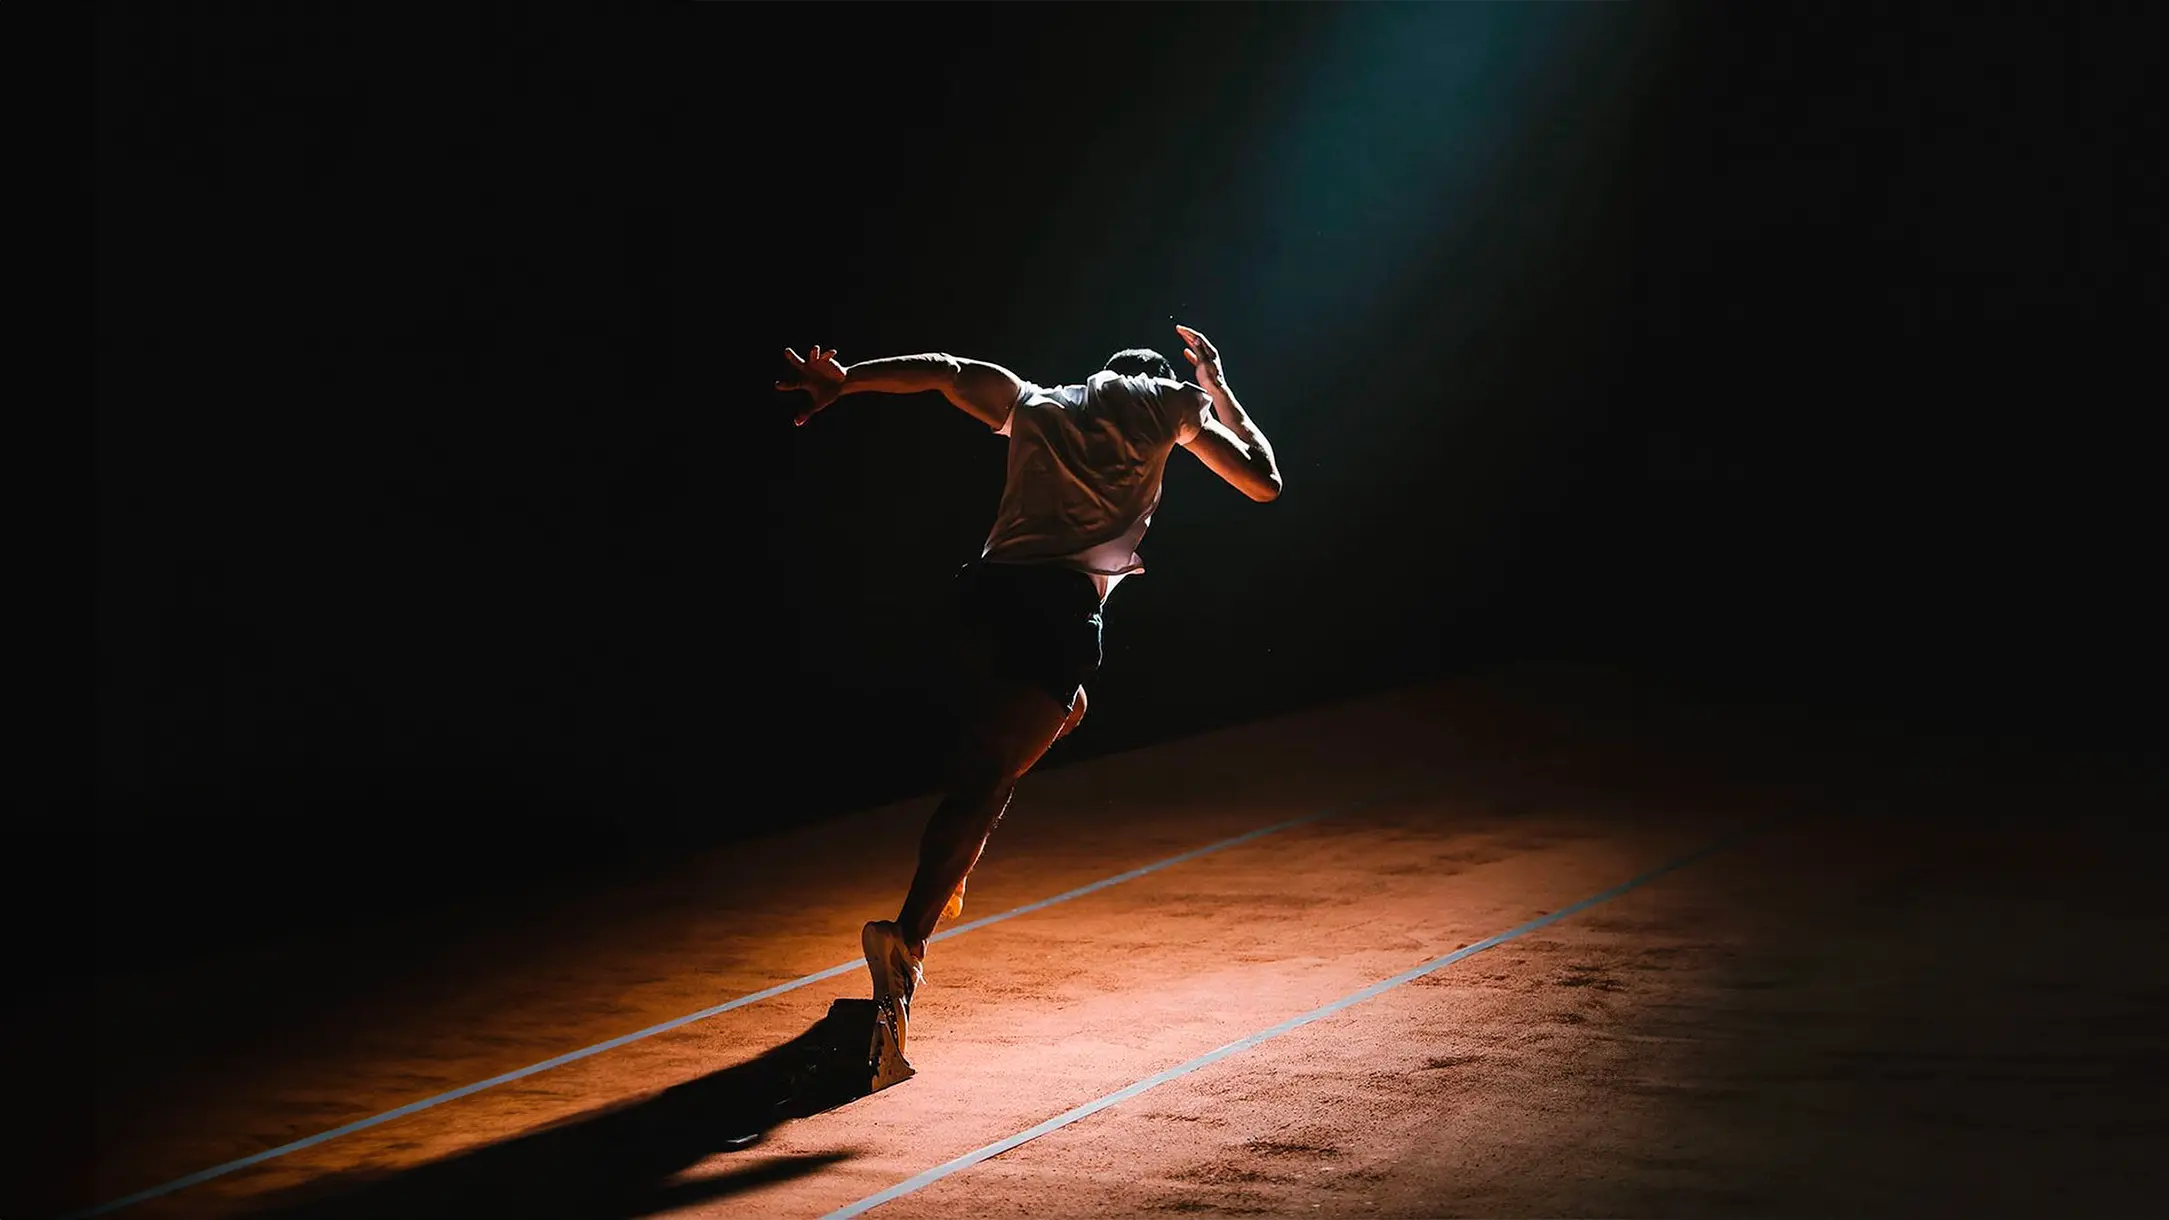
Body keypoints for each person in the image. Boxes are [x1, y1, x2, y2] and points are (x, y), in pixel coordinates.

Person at [774, 323, 1283, 1084]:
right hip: (1056, 608)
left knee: (1046, 722)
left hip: (979, 598)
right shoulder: (1168, 399)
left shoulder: (1039, 402)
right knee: (986, 783)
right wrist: (1214, 386)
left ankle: (950, 872)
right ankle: (906, 939)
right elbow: (1262, 481)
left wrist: (844, 379)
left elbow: (945, 371)